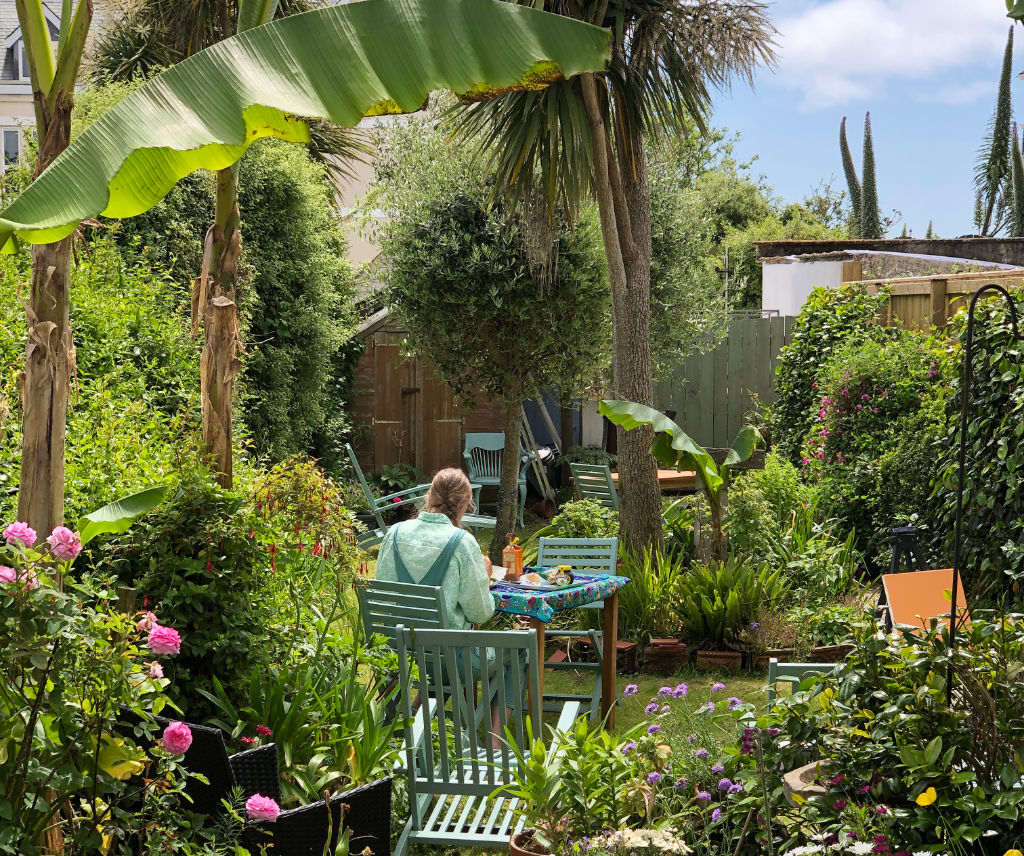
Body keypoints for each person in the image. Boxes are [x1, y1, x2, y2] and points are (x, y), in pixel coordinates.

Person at [375, 468, 520, 745]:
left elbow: (385, 594)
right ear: (465, 504)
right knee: (516, 654)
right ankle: (494, 746)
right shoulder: (462, 543)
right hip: (447, 659)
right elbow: (481, 613)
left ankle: (403, 728)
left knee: (436, 657)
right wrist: (485, 576)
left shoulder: (393, 534)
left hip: (402, 656)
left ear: (428, 496)